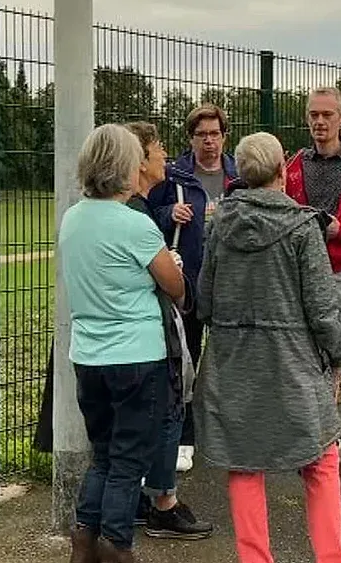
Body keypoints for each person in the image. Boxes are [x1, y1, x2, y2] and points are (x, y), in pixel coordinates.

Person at [195, 132, 341, 563]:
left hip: (234, 361)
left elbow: (204, 300)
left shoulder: (219, 226)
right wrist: (337, 356)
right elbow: (323, 309)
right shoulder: (303, 227)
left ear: (241, 173)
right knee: (321, 459)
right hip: (294, 362)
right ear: (283, 170)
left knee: (244, 464)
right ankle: (331, 557)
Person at [59, 124, 186, 563]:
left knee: (104, 456)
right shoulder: (137, 225)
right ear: (123, 168)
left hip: (88, 357)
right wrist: (174, 266)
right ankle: (117, 547)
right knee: (129, 462)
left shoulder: (72, 218)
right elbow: (175, 288)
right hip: (137, 356)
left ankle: (83, 544)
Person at [123, 122, 214, 541]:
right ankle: (162, 503)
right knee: (167, 404)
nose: (164, 154)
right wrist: (174, 271)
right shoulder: (138, 215)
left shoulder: (92, 212)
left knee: (139, 416)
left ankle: (139, 501)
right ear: (138, 160)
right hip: (153, 324)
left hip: (129, 334)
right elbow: (168, 282)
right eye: (157, 148)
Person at [284, 87, 341, 473]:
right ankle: (320, 449)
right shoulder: (293, 167)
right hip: (304, 274)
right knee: (309, 363)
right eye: (313, 115)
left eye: (327, 115)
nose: (319, 122)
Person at [146, 103, 238, 472]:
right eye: (202, 135)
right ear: (191, 138)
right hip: (189, 282)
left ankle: (228, 432)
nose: (209, 141)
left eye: (215, 134)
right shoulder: (174, 176)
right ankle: (184, 437)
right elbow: (142, 216)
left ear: (224, 136)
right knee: (186, 362)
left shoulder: (238, 174)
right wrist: (169, 215)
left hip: (231, 282)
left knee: (231, 361)